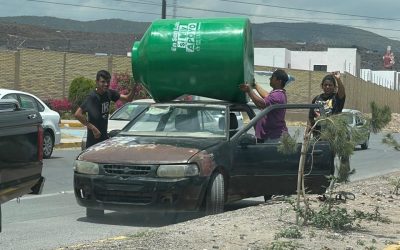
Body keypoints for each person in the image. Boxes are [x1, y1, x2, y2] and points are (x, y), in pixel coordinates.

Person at [74, 70, 135, 148]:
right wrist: (93, 128)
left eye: (108, 82)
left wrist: (135, 87)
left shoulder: (109, 93)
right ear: (97, 82)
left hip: (104, 140)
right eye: (103, 82)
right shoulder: (92, 97)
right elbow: (77, 114)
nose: (106, 84)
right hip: (93, 142)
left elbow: (127, 99)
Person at [239, 69, 289, 142]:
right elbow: (267, 96)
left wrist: (249, 91)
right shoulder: (278, 94)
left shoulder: (277, 96)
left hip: (273, 138)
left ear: (279, 81)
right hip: (270, 137)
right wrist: (255, 85)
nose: (270, 79)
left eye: (272, 77)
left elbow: (261, 104)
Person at [308, 71, 346, 135]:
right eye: (325, 85)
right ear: (322, 86)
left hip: (332, 136)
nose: (327, 87)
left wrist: (338, 79)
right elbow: (310, 118)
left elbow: (342, 92)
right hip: (317, 136)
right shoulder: (316, 99)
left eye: (330, 85)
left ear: (334, 87)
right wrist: (307, 133)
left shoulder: (336, 98)